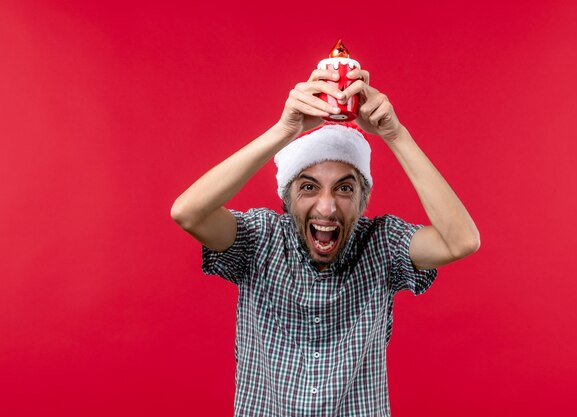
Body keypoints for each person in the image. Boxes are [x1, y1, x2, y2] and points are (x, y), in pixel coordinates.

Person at [171, 66, 480, 417]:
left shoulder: (382, 245)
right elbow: (188, 213)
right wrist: (283, 131)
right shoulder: (260, 238)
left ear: (363, 200)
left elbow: (462, 241)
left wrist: (395, 135)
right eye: (309, 187)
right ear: (287, 199)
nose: (328, 206)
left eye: (345, 188)